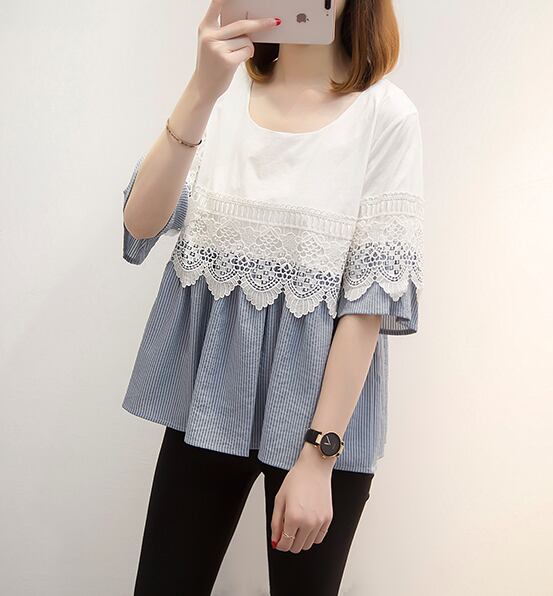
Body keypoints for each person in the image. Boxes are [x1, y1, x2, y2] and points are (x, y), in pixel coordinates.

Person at [120, 0, 423, 593]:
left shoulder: (386, 116)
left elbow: (367, 304)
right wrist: (201, 89)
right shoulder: (222, 98)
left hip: (321, 418)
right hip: (209, 402)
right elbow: (140, 223)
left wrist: (318, 457)